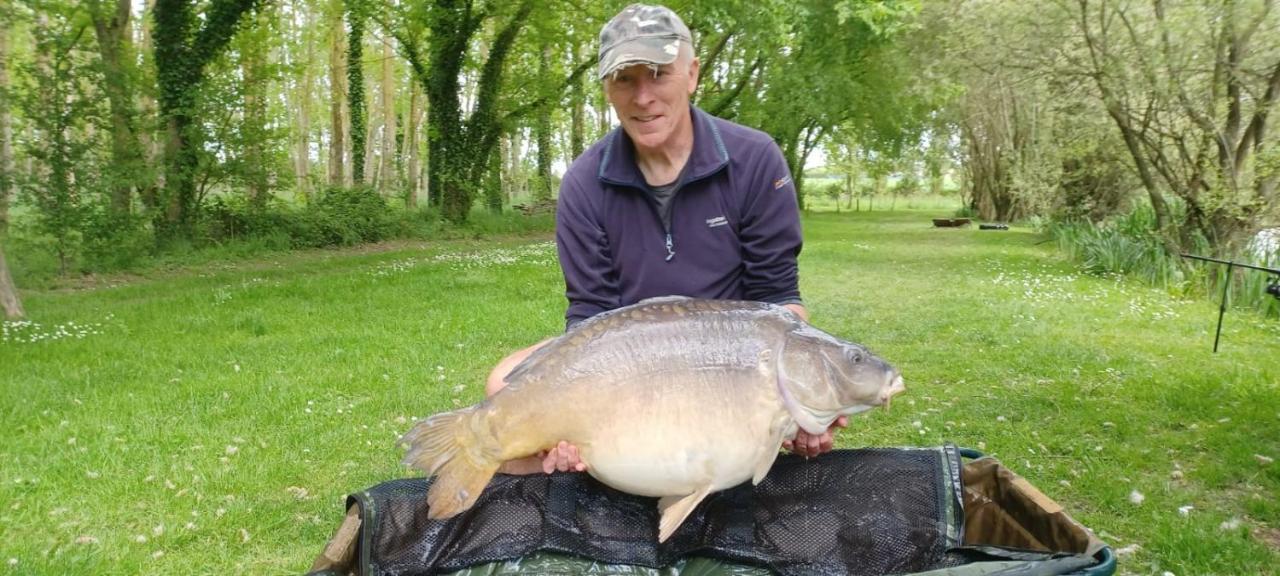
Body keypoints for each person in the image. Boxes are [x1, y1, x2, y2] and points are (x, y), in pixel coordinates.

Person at [486, 3, 846, 475]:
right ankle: (576, 450)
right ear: (607, 89)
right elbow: (590, 315)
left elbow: (780, 301)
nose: (642, 97)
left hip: (729, 363)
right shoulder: (583, 182)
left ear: (692, 73)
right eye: (624, 79)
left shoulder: (755, 160)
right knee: (500, 385)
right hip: (628, 361)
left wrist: (798, 401)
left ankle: (723, 436)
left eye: (657, 74)